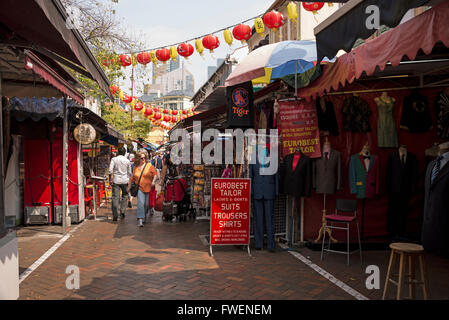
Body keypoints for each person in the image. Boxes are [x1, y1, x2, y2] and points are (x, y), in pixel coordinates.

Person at [128, 151, 157, 227]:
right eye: (141, 158)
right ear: (138, 159)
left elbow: (155, 175)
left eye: (144, 158)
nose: (143, 159)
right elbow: (132, 178)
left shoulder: (149, 165)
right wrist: (129, 187)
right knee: (141, 203)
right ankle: (140, 219)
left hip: (149, 188)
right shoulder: (135, 167)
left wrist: (153, 181)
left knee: (147, 205)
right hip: (140, 188)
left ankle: (144, 215)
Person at [109, 147, 132, 221]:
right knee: (125, 196)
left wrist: (110, 178)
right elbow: (130, 172)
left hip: (116, 180)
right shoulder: (127, 161)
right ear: (125, 153)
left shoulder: (114, 159)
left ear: (118, 152)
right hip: (125, 180)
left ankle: (115, 214)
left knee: (115, 197)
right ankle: (122, 212)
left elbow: (110, 170)